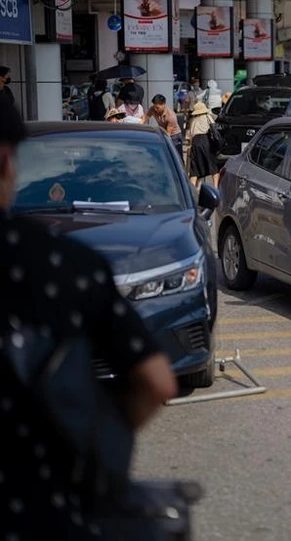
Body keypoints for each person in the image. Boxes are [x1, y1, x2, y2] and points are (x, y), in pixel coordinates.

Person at [0, 96, 178, 539]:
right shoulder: (65, 266)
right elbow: (157, 382)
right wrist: (95, 445)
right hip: (49, 516)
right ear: (6, 162)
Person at [185, 101, 218, 188]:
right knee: (213, 166)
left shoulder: (191, 120)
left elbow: (188, 138)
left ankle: (193, 190)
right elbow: (214, 128)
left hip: (195, 143)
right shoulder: (207, 117)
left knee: (195, 169)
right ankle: (215, 187)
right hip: (206, 141)